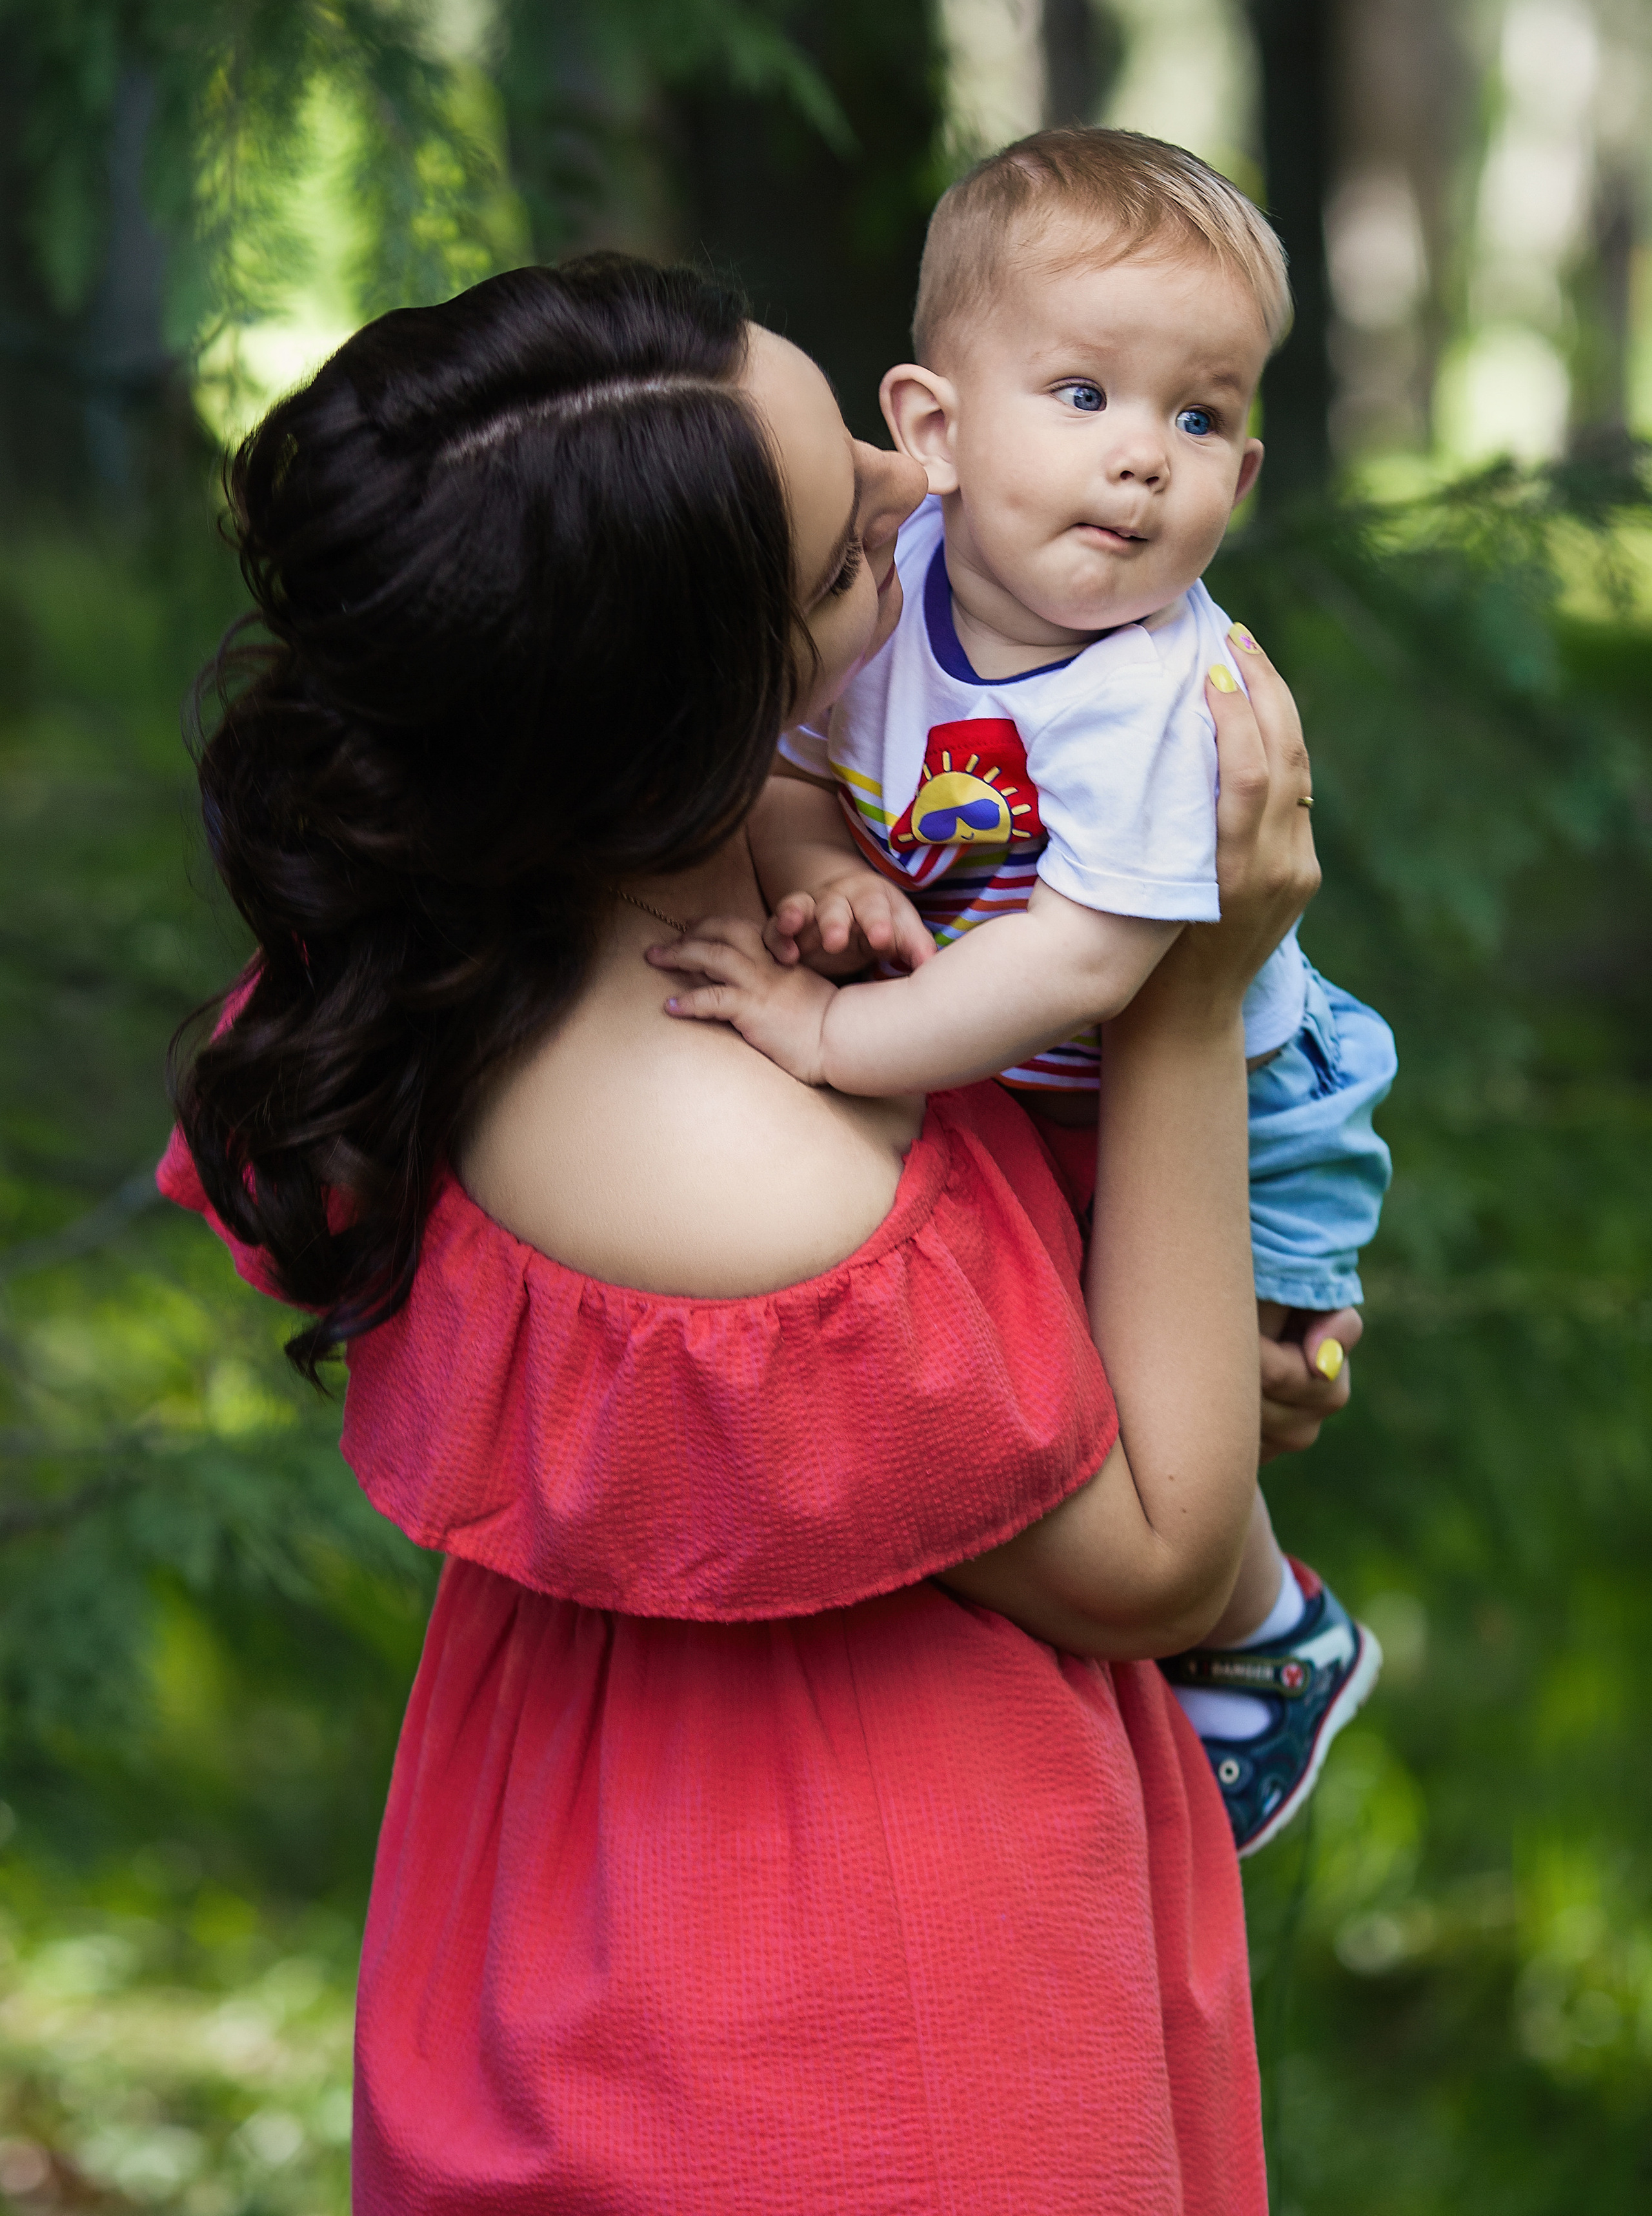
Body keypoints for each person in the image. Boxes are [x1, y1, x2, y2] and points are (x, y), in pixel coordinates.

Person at [159, 252, 1320, 2212]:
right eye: (846, 556)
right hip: (834, 2001)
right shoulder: (734, 1159)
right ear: (692, 711)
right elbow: (1154, 1559)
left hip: (594, 1894)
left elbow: (966, 1433)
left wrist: (1161, 1323)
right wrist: (1195, 990)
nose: (914, 482)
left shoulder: (480, 943)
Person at [648, 130, 1394, 1852]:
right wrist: (830, 869)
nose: (1142, 461)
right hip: (1041, 1070)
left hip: (1248, 1096)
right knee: (1070, 1376)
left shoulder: (1157, 697)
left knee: (1223, 1386)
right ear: (932, 429)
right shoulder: (890, 588)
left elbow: (1091, 963)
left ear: (1247, 467)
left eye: (1199, 421)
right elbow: (792, 764)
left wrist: (833, 1028)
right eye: (1083, 394)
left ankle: (1276, 1638)